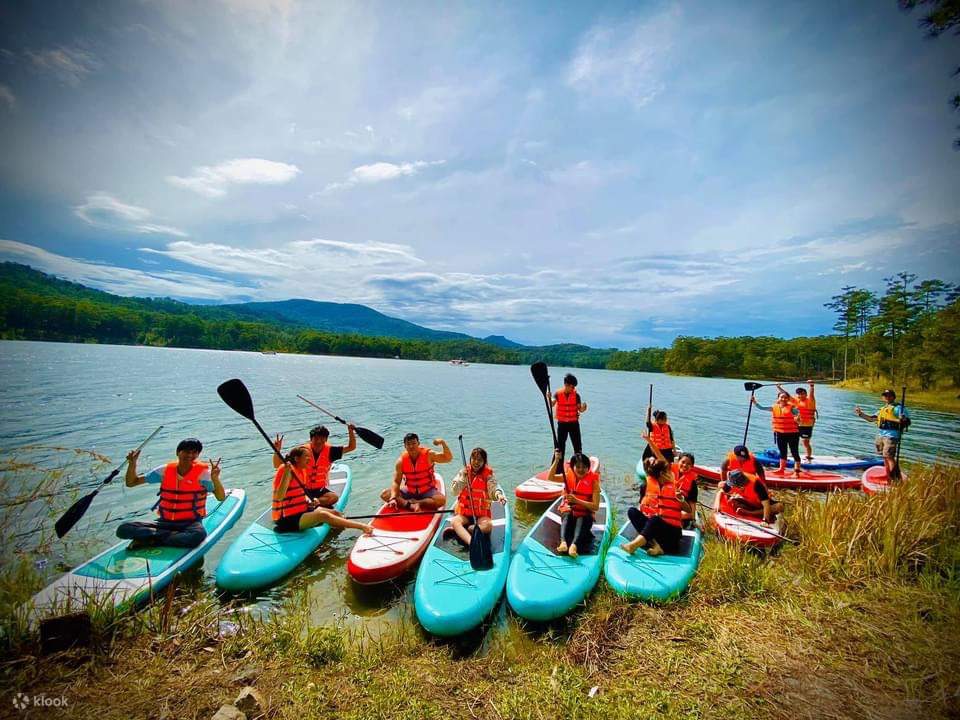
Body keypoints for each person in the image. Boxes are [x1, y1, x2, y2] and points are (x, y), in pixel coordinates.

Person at [117, 438, 225, 549]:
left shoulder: (203, 474)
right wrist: (132, 463)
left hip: (190, 524)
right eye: (187, 451)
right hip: (164, 523)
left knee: (198, 536)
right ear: (178, 452)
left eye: (194, 452)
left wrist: (215, 478)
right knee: (123, 529)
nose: (190, 455)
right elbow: (131, 482)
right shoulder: (164, 470)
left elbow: (221, 497)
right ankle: (166, 538)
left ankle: (151, 538)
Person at [273, 446, 373, 535]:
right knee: (323, 515)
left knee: (336, 513)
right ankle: (362, 527)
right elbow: (279, 497)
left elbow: (300, 493)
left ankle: (339, 535)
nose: (309, 459)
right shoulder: (286, 470)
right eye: (306, 456)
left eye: (309, 456)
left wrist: (309, 500)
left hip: (302, 511)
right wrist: (286, 473)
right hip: (287, 519)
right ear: (297, 458)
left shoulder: (301, 470)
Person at [622, 432, 692, 555]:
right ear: (660, 475)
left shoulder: (673, 487)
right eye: (665, 472)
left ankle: (633, 545)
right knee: (632, 512)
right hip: (656, 530)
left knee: (655, 520)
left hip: (672, 533)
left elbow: (688, 510)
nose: (668, 473)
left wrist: (681, 499)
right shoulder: (647, 486)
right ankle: (656, 546)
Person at [272, 423, 356, 508]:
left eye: (322, 438)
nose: (319, 441)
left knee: (334, 498)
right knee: (305, 499)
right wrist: (277, 451)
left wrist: (350, 431)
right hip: (302, 489)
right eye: (316, 438)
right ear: (311, 439)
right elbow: (277, 465)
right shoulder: (301, 452)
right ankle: (307, 502)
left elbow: (351, 447)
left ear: (326, 439)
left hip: (319, 489)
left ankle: (316, 502)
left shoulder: (331, 452)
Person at [446, 447, 507, 546]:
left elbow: (493, 488)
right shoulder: (463, 472)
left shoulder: (488, 475)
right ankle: (471, 542)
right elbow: (454, 491)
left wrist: (499, 495)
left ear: (484, 462)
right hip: (465, 514)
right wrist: (462, 479)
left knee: (487, 526)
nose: (476, 462)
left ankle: (465, 530)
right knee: (455, 521)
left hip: (481, 515)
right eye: (474, 459)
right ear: (470, 459)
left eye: (480, 460)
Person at [548, 449, 600, 558]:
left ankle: (574, 545)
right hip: (570, 512)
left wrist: (577, 500)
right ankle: (563, 542)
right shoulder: (568, 476)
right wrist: (557, 460)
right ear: (573, 467)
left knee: (582, 518)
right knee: (567, 514)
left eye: (584, 467)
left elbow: (595, 506)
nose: (581, 470)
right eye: (578, 467)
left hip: (585, 514)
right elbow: (550, 477)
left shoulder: (594, 482)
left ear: (588, 468)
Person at [382, 433, 452, 511]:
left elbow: (448, 458)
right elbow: (396, 482)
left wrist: (443, 443)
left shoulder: (428, 455)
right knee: (385, 494)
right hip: (410, 491)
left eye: (414, 443)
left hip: (427, 490)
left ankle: (418, 502)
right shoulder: (400, 461)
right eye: (408, 444)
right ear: (405, 446)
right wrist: (393, 498)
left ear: (418, 443)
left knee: (441, 500)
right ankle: (410, 506)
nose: (411, 446)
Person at [854, 389, 911, 479]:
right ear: (883, 398)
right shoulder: (882, 409)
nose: (887, 397)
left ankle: (895, 479)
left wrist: (903, 419)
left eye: (889, 395)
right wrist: (861, 414)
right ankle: (888, 475)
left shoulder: (899, 408)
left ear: (893, 397)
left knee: (889, 457)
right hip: (881, 435)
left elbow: (907, 421)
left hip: (891, 436)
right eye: (885, 395)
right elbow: (871, 419)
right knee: (884, 457)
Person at [752, 391, 803, 477]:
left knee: (794, 452)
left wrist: (797, 419)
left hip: (792, 434)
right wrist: (754, 401)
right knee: (783, 452)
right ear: (778, 399)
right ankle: (781, 469)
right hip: (780, 433)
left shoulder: (792, 408)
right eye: (781, 397)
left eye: (786, 397)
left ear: (788, 399)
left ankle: (796, 472)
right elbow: (761, 407)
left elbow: (799, 420)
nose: (783, 399)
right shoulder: (774, 407)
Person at [548, 374, 588, 475]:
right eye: (572, 386)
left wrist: (584, 408)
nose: (574, 388)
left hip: (573, 424)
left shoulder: (576, 395)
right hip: (562, 424)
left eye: (574, 387)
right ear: (566, 384)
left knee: (577, 447)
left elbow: (580, 409)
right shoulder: (558, 394)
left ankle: (579, 468)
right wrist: (548, 397)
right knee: (559, 447)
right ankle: (557, 470)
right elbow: (552, 403)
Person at [718, 469, 783, 524]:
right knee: (732, 501)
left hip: (761, 505)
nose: (731, 486)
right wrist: (718, 505)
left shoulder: (757, 485)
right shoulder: (733, 479)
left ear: (741, 486)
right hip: (749, 502)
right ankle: (749, 512)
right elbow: (720, 491)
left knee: (780, 506)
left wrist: (765, 521)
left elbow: (766, 505)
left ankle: (750, 513)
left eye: (733, 485)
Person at [778, 381, 817, 461]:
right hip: (796, 425)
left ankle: (808, 456)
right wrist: (779, 387)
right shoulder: (795, 400)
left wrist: (811, 386)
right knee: (791, 441)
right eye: (799, 394)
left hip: (807, 425)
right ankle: (791, 455)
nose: (800, 395)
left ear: (806, 394)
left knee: (805, 442)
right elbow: (786, 395)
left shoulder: (810, 401)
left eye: (802, 394)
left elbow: (812, 395)